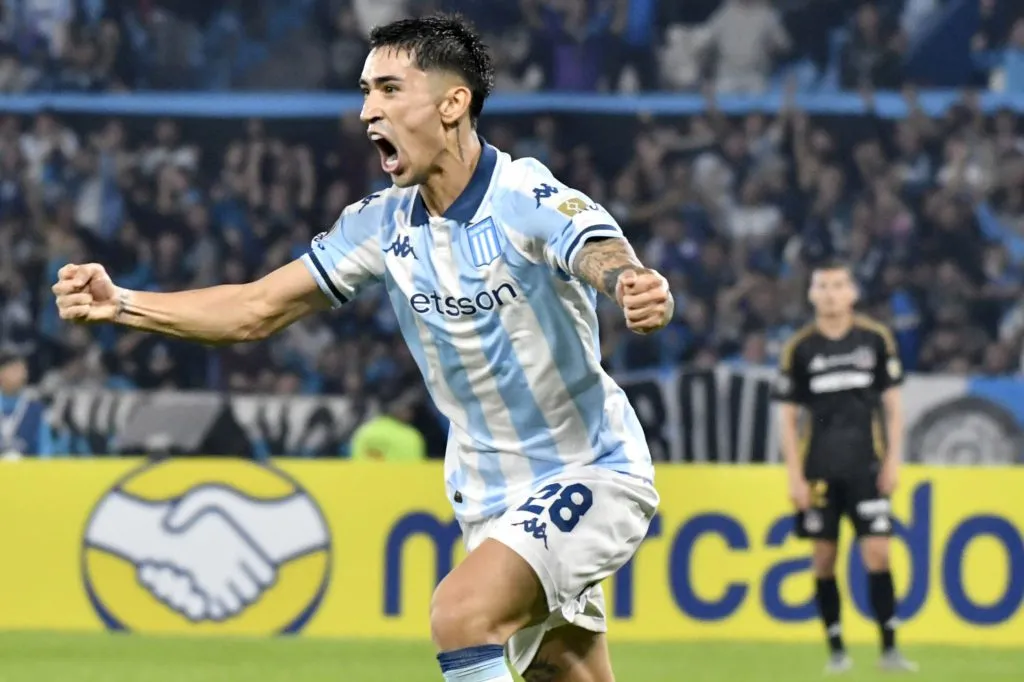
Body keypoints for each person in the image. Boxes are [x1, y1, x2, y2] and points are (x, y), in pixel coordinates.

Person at [51, 14, 670, 682]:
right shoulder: (381, 225)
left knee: (461, 616)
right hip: (488, 497)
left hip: (589, 469)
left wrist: (628, 283)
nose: (368, 110)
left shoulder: (523, 195)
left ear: (452, 103)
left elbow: (596, 247)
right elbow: (257, 308)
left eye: (389, 89)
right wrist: (124, 303)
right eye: (366, 91)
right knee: (563, 669)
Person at [773, 259, 917, 674]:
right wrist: (794, 476)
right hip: (819, 470)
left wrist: (893, 460)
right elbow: (787, 417)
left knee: (879, 553)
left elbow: (893, 407)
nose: (831, 294)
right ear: (812, 294)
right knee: (823, 559)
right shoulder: (800, 347)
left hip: (867, 467)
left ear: (852, 292)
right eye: (823, 286)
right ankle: (836, 650)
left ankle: (889, 649)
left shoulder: (874, 339)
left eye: (838, 285)